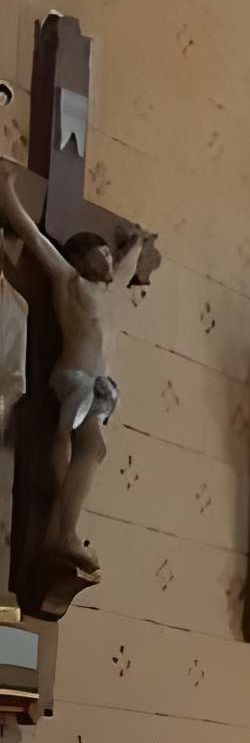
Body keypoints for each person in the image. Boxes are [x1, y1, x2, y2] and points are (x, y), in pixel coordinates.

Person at [0, 171, 132, 599]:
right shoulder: (67, 280)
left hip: (98, 387)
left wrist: (140, 244)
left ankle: (61, 530)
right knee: (93, 448)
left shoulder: (105, 294)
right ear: (80, 259)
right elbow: (32, 236)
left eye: (111, 256)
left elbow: (128, 270)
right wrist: (6, 193)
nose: (109, 262)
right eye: (102, 255)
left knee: (73, 450)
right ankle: (65, 534)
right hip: (75, 380)